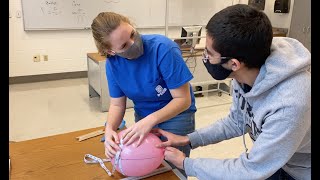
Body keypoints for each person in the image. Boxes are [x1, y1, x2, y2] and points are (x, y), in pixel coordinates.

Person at [153, 4, 311, 180]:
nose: (205, 57)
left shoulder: (289, 104)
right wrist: (190, 139)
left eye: (209, 53)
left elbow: (250, 170)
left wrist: (186, 164)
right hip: (277, 159)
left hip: (301, 170)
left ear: (234, 64)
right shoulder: (246, 72)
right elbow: (236, 122)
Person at [90, 12, 196, 175]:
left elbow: (183, 100)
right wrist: (110, 129)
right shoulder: (113, 64)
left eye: (133, 34)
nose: (134, 43)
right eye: (124, 46)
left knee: (173, 170)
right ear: (110, 51)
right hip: (144, 117)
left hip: (177, 115)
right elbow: (117, 104)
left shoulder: (163, 49)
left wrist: (149, 121)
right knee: (146, 167)